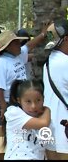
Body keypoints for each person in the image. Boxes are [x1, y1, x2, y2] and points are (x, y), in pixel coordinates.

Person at [0, 26, 48, 126]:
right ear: (7, 47)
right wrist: (3, 107)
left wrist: (42, 35)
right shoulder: (0, 63)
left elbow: (29, 46)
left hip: (16, 104)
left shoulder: (18, 55)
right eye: (16, 43)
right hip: (3, 105)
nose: (19, 45)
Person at [3, 79, 50, 160]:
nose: (33, 106)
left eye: (38, 100)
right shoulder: (14, 113)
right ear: (19, 100)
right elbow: (43, 123)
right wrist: (47, 109)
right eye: (28, 101)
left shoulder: (45, 117)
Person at [43, 19, 68, 159]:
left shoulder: (48, 62)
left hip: (49, 128)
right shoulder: (65, 62)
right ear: (66, 39)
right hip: (64, 131)